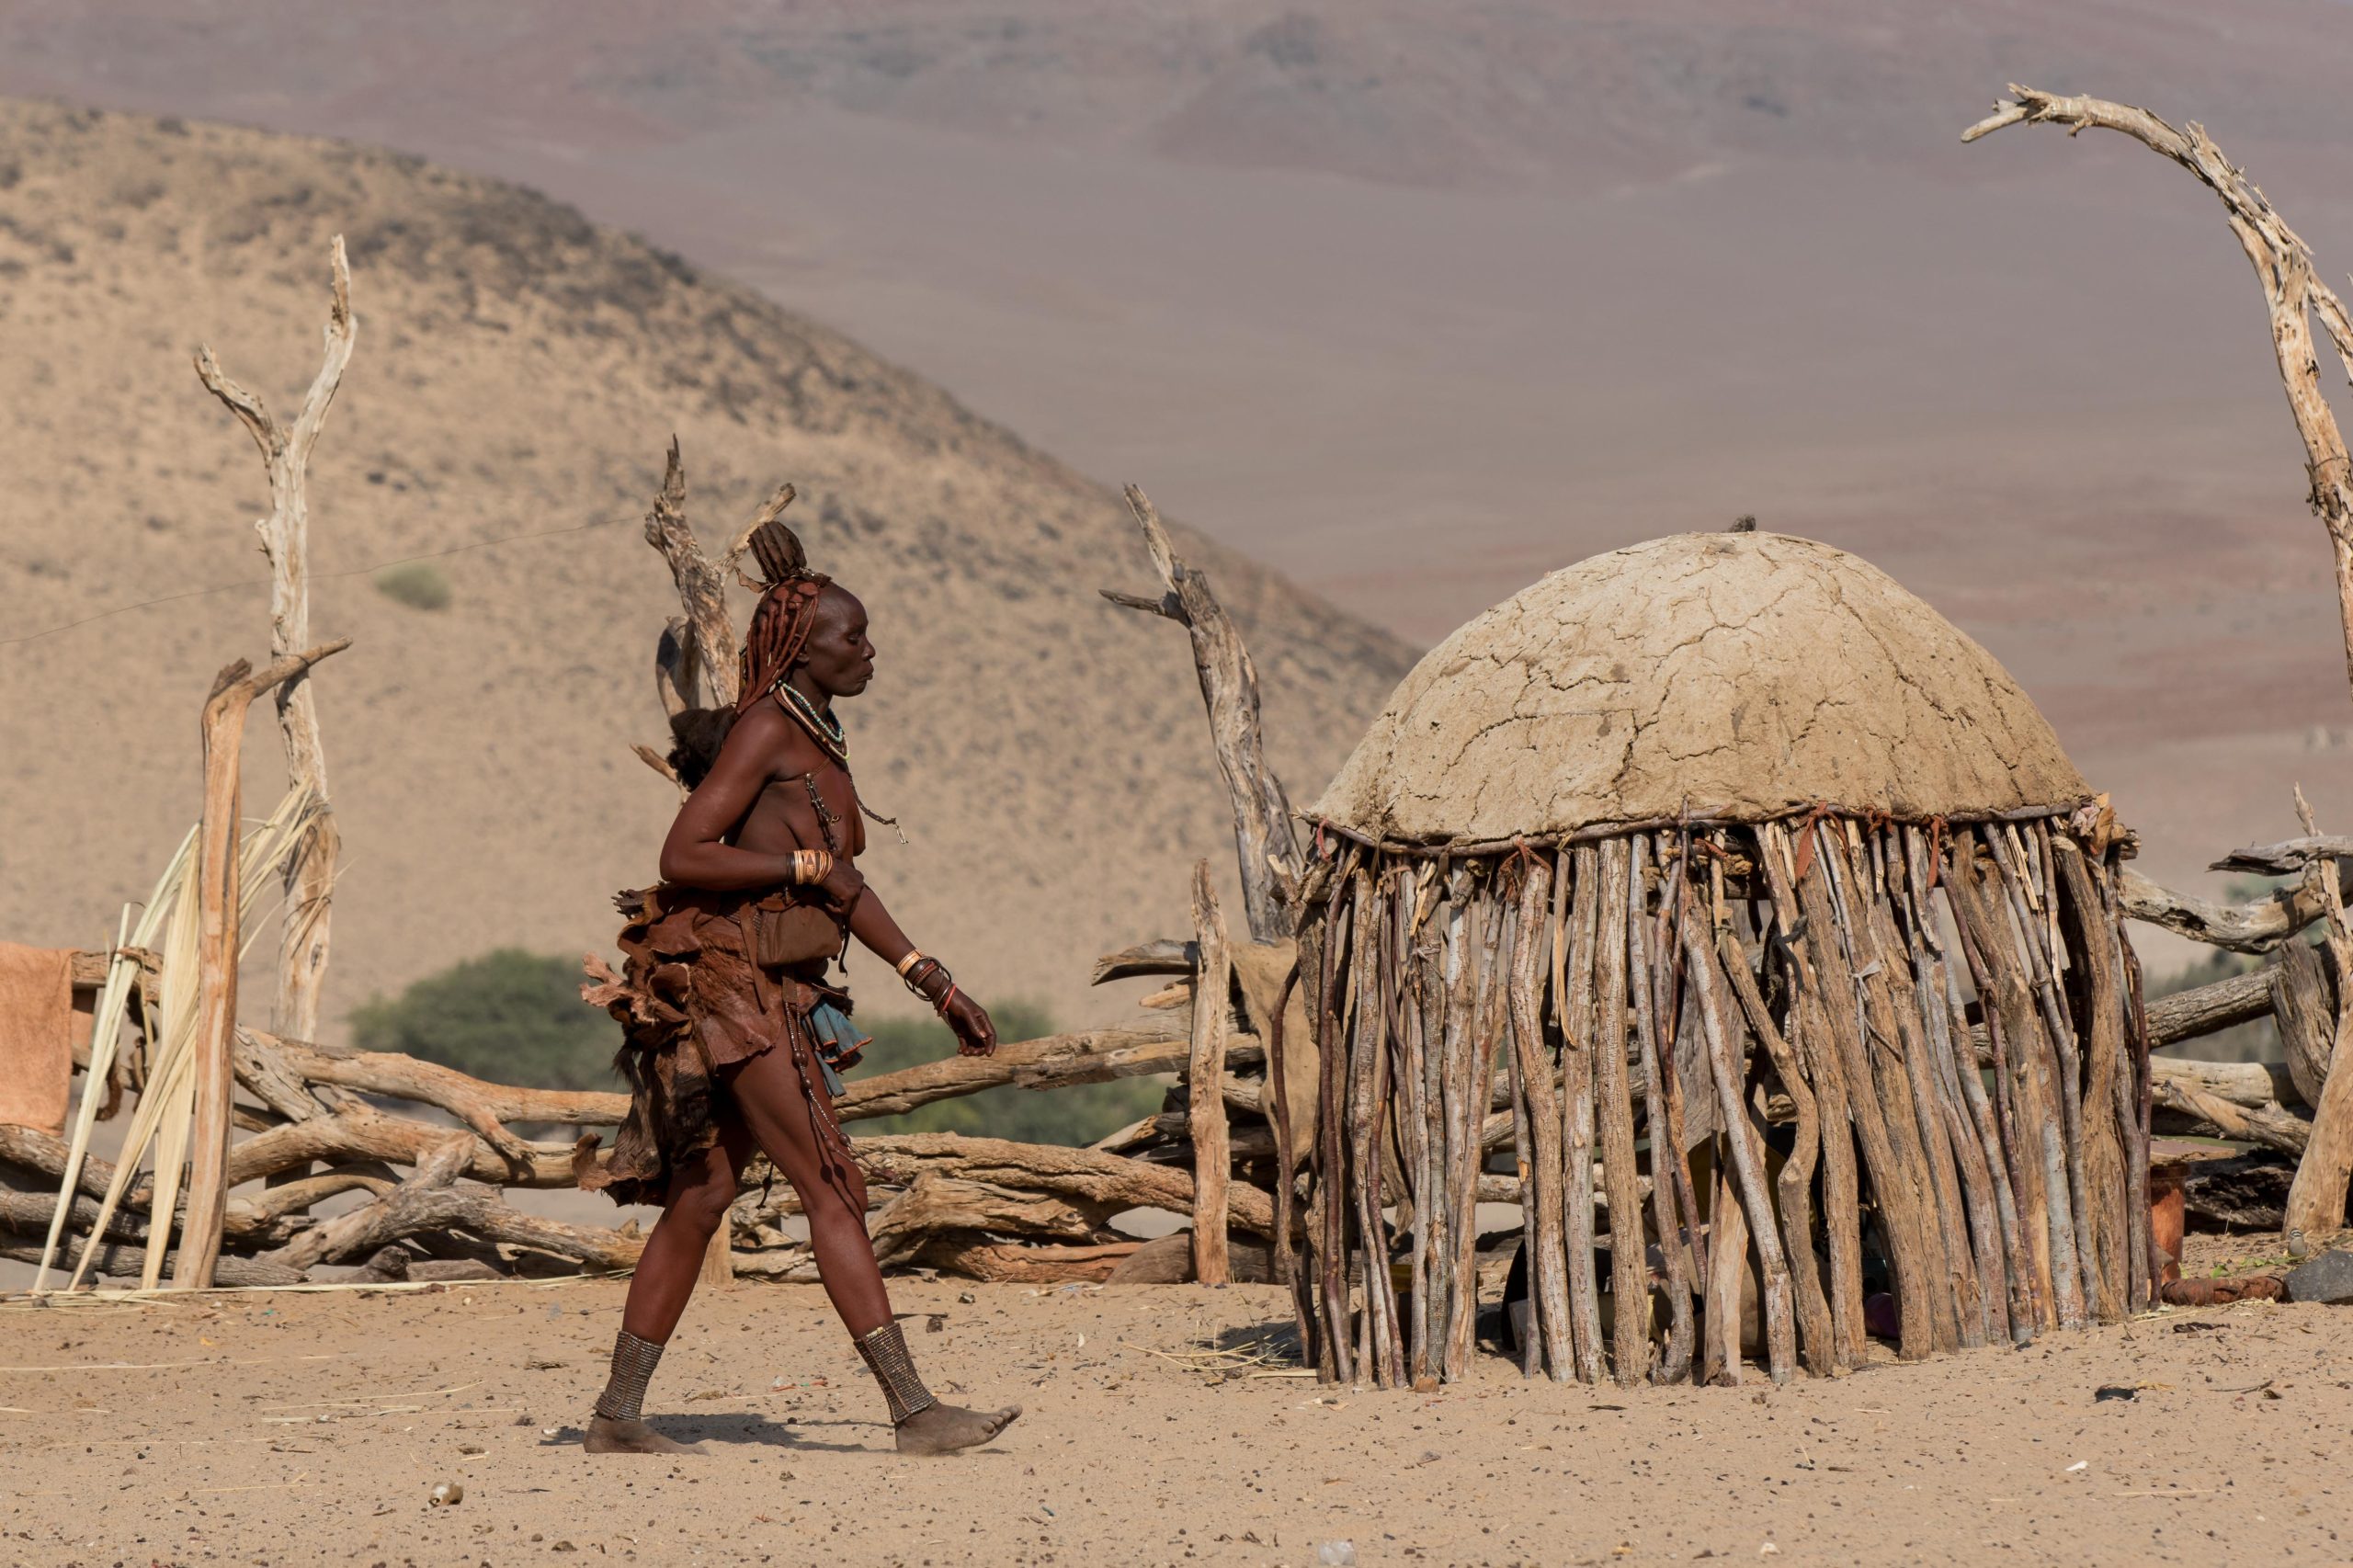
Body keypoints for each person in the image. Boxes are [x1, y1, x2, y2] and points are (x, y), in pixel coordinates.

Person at [574, 518, 1020, 1457]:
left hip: (776, 982)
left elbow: (839, 882)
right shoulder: (769, 728)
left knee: (702, 1196)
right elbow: (683, 850)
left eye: (862, 635)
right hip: (739, 988)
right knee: (833, 1186)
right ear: (800, 647)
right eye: (849, 637)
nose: (868, 650)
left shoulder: (816, 732)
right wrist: (798, 861)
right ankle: (915, 1413)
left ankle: (616, 1415)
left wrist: (931, 981)